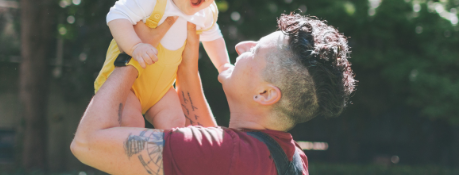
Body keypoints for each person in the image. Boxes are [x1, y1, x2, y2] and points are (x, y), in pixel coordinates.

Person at [71, 13, 356, 175]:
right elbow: (211, 143)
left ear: (265, 94)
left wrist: (132, 54)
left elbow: (87, 143)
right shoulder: (293, 158)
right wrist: (188, 59)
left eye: (254, 50)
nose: (241, 46)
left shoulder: (225, 154)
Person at [95, 0, 233, 129]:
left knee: (176, 125)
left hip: (160, 89)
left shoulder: (204, 12)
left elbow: (213, 37)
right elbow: (117, 16)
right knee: (131, 124)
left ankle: (164, 159)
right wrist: (136, 47)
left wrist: (224, 67)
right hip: (127, 84)